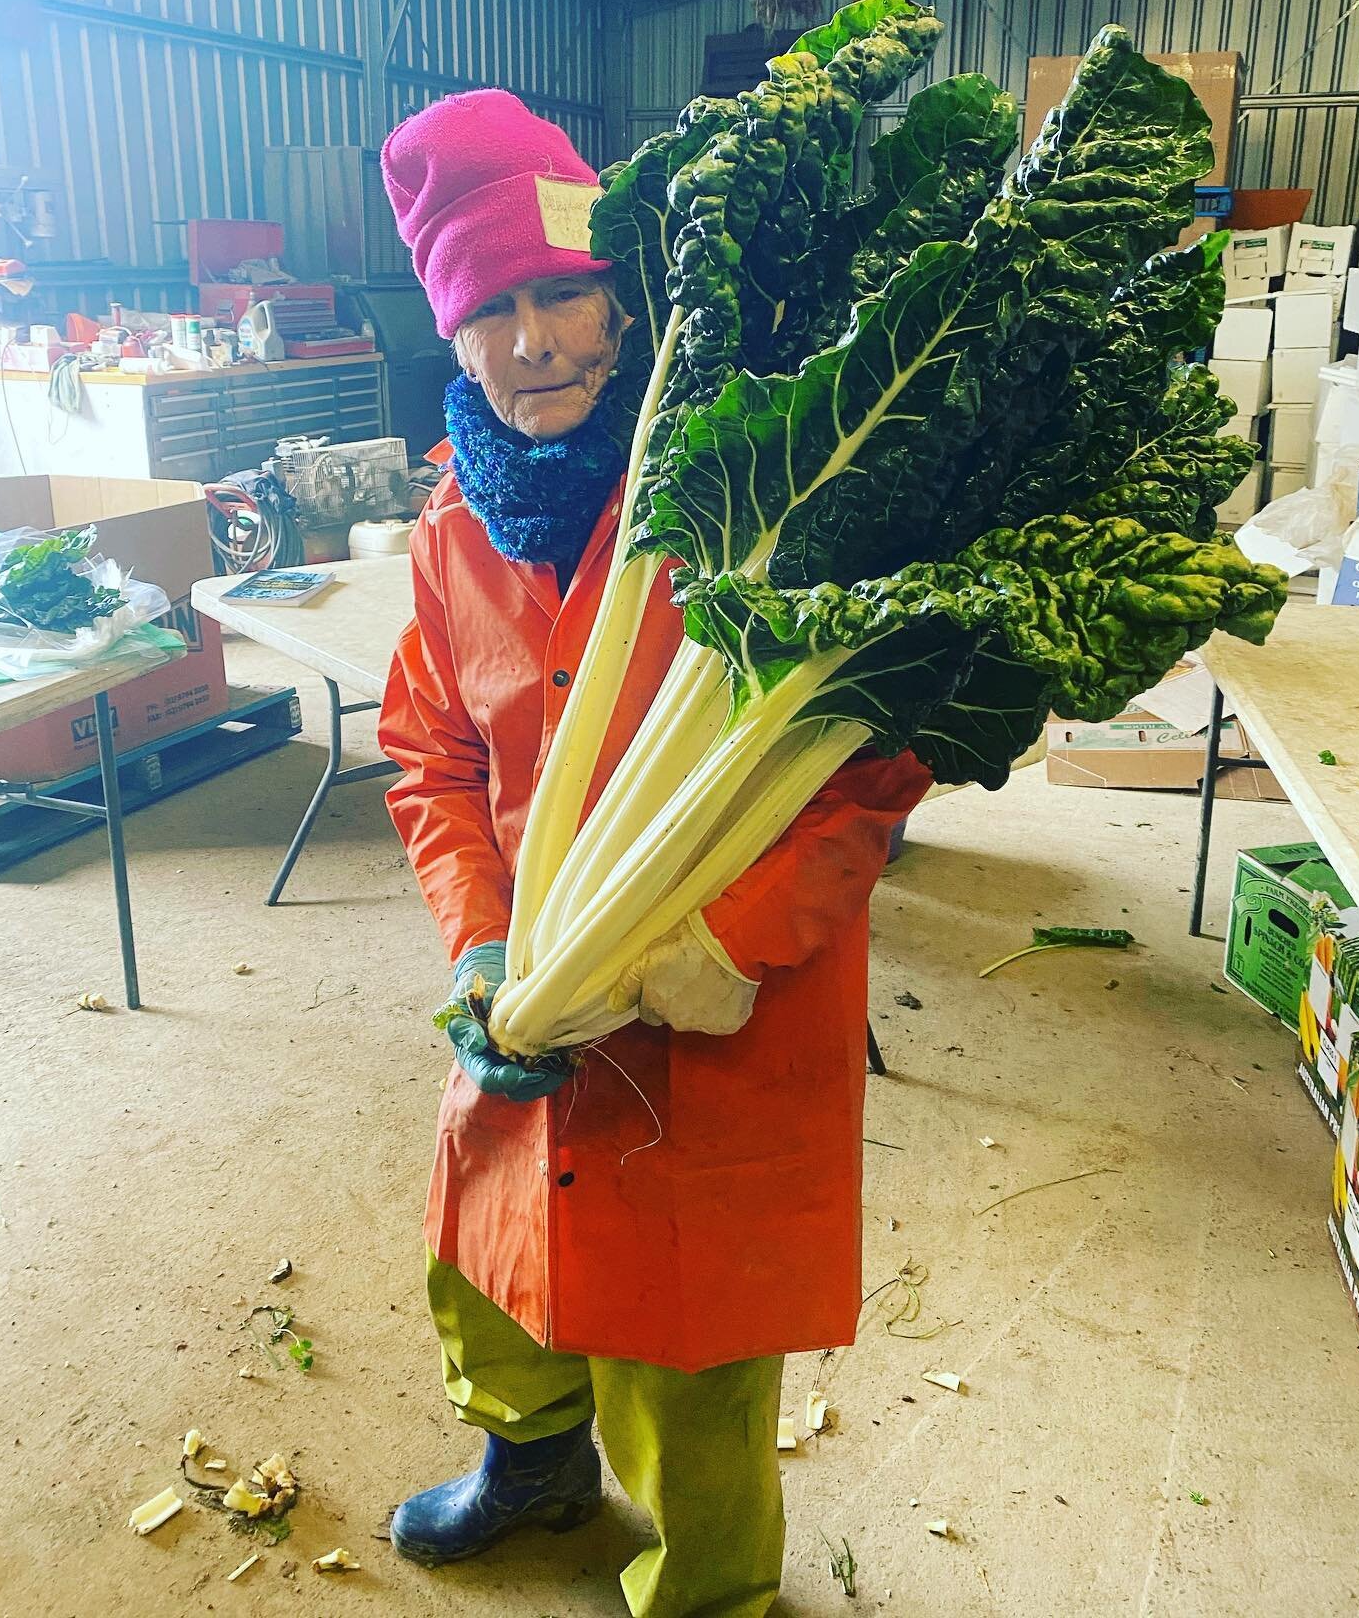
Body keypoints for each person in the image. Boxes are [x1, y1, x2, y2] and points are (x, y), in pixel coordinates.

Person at [377, 88, 932, 1617]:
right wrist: (484, 942)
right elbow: (427, 754)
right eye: (492, 307)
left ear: (625, 301)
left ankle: (715, 1599)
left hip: (718, 1012)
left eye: (562, 292)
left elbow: (873, 770)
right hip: (530, 989)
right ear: (452, 335)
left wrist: (731, 946)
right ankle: (534, 1460)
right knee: (488, 1249)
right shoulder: (451, 528)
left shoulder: (765, 495)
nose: (536, 340)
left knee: (692, 1360)